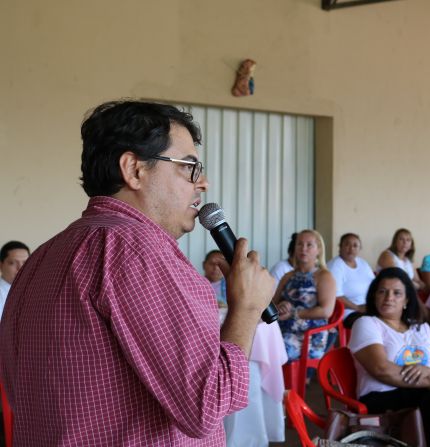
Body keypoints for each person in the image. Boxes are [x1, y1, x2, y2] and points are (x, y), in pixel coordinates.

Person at [0, 100, 275, 446]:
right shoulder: (138, 251)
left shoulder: (42, 257)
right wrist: (247, 309)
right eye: (188, 167)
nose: (202, 182)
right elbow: (207, 405)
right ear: (133, 170)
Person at [349, 267, 430, 444]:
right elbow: (381, 369)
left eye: (397, 293)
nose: (389, 298)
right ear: (374, 296)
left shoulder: (421, 328)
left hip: (418, 393)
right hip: (381, 396)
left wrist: (427, 372)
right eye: (382, 292)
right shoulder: (367, 323)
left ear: (406, 300)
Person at [274, 229, 336, 361]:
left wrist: (292, 313)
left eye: (309, 245)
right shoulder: (287, 276)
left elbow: (326, 311)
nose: (303, 249)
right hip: (282, 330)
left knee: (271, 351)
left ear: (318, 249)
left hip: (309, 336)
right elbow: (273, 304)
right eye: (299, 244)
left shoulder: (324, 276)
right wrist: (281, 306)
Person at [327, 233, 375, 328]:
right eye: (347, 244)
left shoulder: (363, 263)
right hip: (348, 312)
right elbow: (336, 297)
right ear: (340, 246)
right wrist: (358, 308)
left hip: (367, 307)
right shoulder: (335, 266)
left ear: (359, 248)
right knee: (374, 323)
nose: (351, 248)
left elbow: (375, 285)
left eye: (355, 245)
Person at [0, 241, 30, 317]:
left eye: (25, 263)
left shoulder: (34, 291)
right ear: (1, 265)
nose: (20, 268)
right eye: (12, 263)